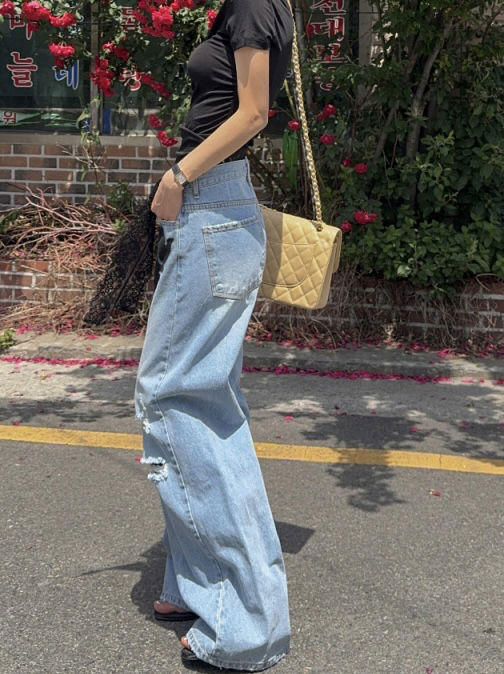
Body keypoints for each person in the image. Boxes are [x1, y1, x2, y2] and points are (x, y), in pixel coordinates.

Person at [134, 0, 294, 670]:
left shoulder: (253, 3)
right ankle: (193, 584)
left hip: (212, 207)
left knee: (172, 399)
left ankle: (247, 623)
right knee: (204, 404)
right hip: (217, 211)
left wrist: (180, 174)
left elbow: (253, 112)